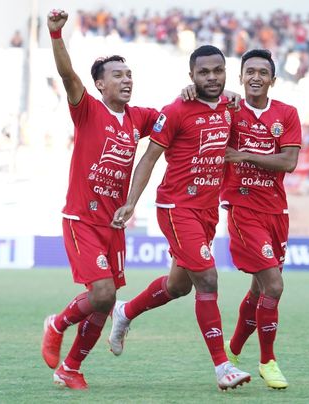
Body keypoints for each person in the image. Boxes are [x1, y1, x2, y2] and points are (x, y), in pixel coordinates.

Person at [108, 45, 252, 391]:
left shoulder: (232, 107)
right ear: (192, 76)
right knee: (208, 281)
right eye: (204, 72)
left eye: (217, 71)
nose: (212, 77)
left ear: (225, 73)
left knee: (179, 286)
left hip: (206, 211)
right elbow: (149, 158)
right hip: (176, 208)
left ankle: (125, 312)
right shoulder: (175, 111)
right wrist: (130, 203)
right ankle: (222, 368)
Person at [39, 9, 160, 390]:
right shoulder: (87, 108)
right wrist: (56, 36)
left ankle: (70, 368)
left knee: (105, 302)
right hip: (82, 220)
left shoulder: (137, 118)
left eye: (129, 75)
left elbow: (172, 120)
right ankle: (57, 324)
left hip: (114, 225)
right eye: (118, 76)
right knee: (103, 293)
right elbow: (67, 75)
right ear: (100, 84)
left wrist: (194, 94)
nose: (126, 81)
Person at [219, 49, 301, 389]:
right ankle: (268, 361)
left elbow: (288, 162)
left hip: (276, 212)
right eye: (249, 71)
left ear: (272, 79)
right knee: (275, 286)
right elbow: (200, 101)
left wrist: (243, 155)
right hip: (243, 209)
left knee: (258, 289)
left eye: (262, 72)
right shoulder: (230, 110)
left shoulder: (287, 113)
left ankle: (233, 349)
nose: (255, 77)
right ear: (240, 77)